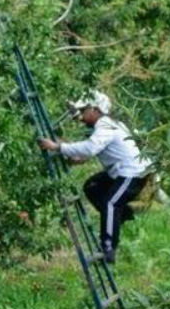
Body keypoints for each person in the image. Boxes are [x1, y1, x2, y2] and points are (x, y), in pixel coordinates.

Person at [40, 90, 153, 263]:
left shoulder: (105, 126)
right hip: (120, 171)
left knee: (111, 203)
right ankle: (122, 214)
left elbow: (90, 148)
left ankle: (108, 249)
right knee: (92, 187)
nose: (80, 115)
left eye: (84, 110)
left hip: (132, 173)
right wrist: (76, 158)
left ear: (96, 109)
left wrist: (58, 147)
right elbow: (93, 150)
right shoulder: (105, 125)